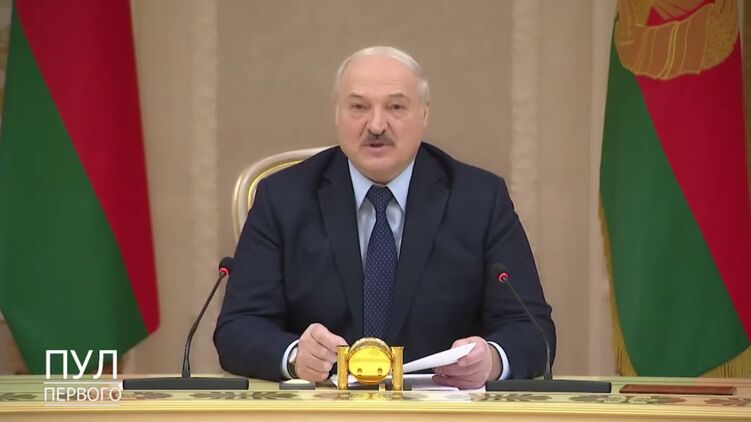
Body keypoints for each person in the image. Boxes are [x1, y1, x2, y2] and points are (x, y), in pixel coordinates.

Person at [214, 46, 555, 389]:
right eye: (359, 107)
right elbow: (237, 328)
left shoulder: (479, 199)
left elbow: (532, 329)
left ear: (424, 114)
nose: (376, 125)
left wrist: (491, 360)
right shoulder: (283, 198)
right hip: (322, 407)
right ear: (337, 114)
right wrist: (293, 356)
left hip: (439, 408)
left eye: (396, 107)